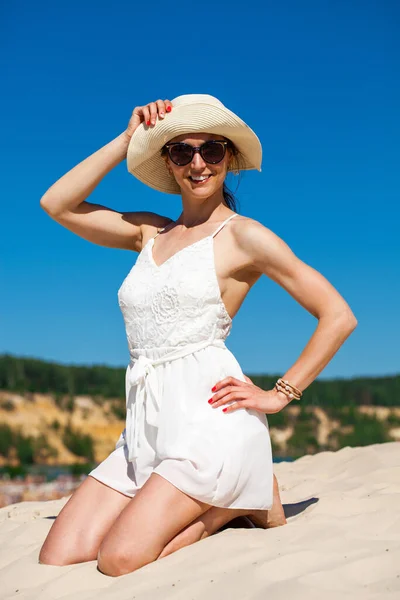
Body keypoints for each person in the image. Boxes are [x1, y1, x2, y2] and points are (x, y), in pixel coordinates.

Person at [38, 94, 357, 576]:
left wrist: (280, 394)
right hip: (145, 427)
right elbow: (56, 203)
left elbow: (338, 315)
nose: (198, 162)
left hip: (211, 424)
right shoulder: (149, 232)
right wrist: (128, 139)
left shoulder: (244, 236)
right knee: (58, 555)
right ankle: (235, 495)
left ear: (228, 158)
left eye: (212, 150)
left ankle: (230, 505)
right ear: (167, 162)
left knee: (119, 559)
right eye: (181, 151)